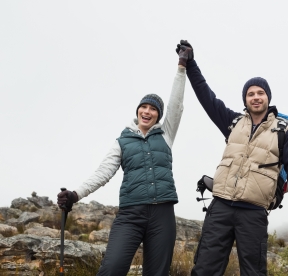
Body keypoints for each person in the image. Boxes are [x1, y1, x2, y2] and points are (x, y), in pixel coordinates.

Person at [175, 40, 288, 276]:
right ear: (245, 99)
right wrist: (191, 64)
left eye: (260, 93)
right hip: (221, 206)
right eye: (250, 94)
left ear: (268, 97)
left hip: (254, 212)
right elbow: (207, 98)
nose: (255, 97)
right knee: (205, 269)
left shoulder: (283, 131)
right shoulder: (233, 122)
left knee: (253, 272)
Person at [56, 47, 191, 276]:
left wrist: (181, 67)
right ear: (138, 110)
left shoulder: (166, 135)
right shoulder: (122, 141)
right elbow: (103, 172)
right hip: (131, 214)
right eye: (144, 107)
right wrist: (75, 194)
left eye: (153, 109)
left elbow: (176, 104)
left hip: (162, 215)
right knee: (112, 268)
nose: (147, 112)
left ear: (158, 115)